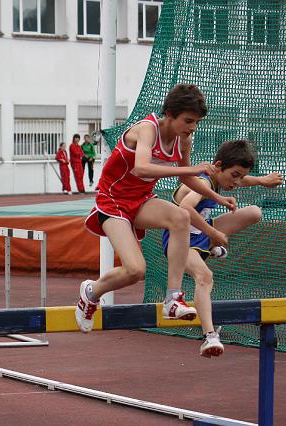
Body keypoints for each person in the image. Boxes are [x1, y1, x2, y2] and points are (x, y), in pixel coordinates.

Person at [74, 84, 238, 333]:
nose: (192, 127)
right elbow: (142, 167)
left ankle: (173, 298)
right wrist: (193, 168)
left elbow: (186, 179)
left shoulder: (184, 139)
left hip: (141, 200)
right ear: (170, 114)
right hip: (113, 201)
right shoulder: (147, 129)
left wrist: (217, 196)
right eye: (188, 121)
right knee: (135, 270)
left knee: (181, 216)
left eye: (196, 122)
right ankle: (91, 292)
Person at [161, 139, 283, 357]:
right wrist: (214, 234)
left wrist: (263, 181)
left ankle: (211, 248)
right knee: (205, 276)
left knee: (254, 212)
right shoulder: (204, 182)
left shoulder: (222, 179)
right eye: (234, 175)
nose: (237, 182)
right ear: (218, 166)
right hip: (180, 243)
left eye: (240, 176)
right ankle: (210, 336)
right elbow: (187, 207)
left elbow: (244, 180)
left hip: (202, 233)